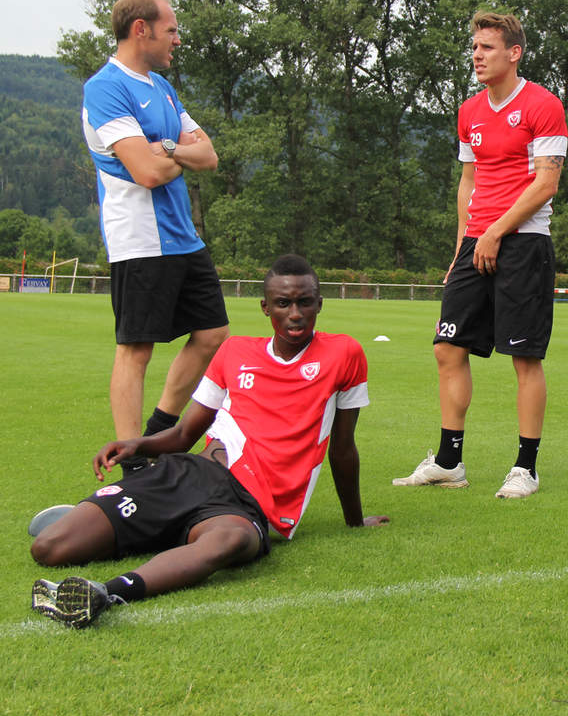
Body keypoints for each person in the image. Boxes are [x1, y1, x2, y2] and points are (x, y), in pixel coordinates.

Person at [30, 255, 388, 628]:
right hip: (190, 474)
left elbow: (343, 447)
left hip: (247, 505)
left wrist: (354, 521)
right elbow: (185, 435)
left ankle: (106, 593)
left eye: (305, 302)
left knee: (228, 544)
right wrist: (138, 444)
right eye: (283, 303)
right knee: (49, 549)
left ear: (319, 304)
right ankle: (110, 518)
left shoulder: (344, 354)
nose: (295, 313)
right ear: (266, 307)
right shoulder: (234, 352)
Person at [393, 11, 567, 499]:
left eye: (487, 47)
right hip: (477, 241)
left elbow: (547, 182)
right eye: (474, 46)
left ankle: (525, 468)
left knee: (524, 358)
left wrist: (496, 232)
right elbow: (468, 183)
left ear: (514, 53)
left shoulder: (543, 105)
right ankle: (449, 461)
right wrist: (462, 246)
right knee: (447, 347)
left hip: (524, 240)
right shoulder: (469, 111)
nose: (476, 55)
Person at [83, 0, 229, 447]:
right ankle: (130, 463)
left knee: (213, 333)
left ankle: (158, 433)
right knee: (136, 349)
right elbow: (145, 174)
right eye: (172, 30)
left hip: (183, 237)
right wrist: (174, 153)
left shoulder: (162, 88)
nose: (177, 40)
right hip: (140, 239)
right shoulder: (105, 88)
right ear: (140, 29)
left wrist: (166, 147)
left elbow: (209, 156)